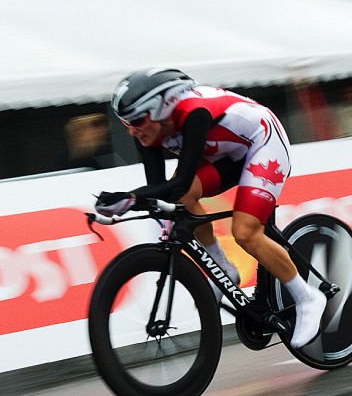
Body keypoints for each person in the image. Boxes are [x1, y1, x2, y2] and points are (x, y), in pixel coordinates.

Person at [94, 68, 325, 348]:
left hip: (263, 143)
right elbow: (160, 192)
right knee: (183, 198)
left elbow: (176, 183)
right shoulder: (147, 131)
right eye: (125, 123)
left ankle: (307, 297)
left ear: (161, 108)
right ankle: (223, 267)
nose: (131, 129)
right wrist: (131, 202)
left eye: (137, 120)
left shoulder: (193, 113)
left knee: (245, 233)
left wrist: (130, 198)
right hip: (227, 154)